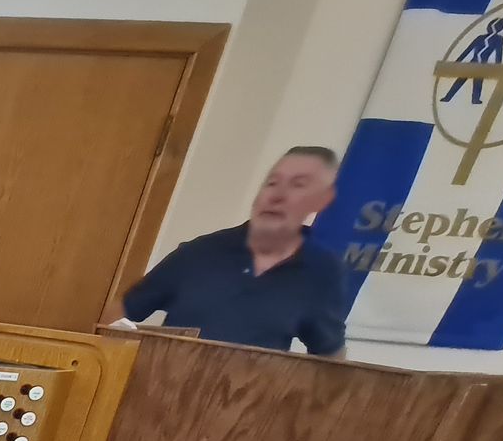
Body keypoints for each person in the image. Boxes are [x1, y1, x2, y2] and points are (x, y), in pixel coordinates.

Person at [119, 146, 348, 356]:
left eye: (298, 185)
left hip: (250, 398)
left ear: (322, 200)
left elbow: (330, 363)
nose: (277, 195)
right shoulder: (198, 253)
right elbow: (120, 315)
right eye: (272, 183)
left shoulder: (322, 272)